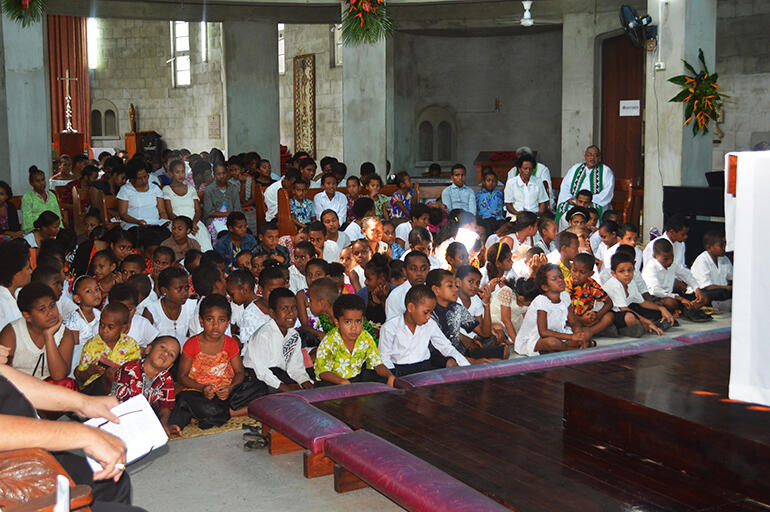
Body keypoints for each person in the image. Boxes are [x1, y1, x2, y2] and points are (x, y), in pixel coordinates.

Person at [0, 363, 146, 511]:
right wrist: (82, 434)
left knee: (113, 482)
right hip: (7, 476)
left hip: (30, 451)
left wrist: (83, 403)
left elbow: (6, 379)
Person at [169, 294, 251, 430]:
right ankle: (231, 412)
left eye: (222, 320)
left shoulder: (230, 343)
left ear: (228, 322)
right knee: (184, 399)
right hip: (199, 391)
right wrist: (202, 388)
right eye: (210, 319)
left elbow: (239, 372)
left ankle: (205, 415)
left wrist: (230, 388)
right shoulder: (192, 344)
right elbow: (182, 376)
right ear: (201, 321)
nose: (215, 325)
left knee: (258, 388)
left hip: (225, 391)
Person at [379, 284, 470, 376]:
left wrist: (466, 367)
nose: (428, 317)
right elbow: (385, 358)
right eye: (426, 312)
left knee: (451, 366)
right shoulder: (389, 328)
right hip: (400, 370)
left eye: (431, 312)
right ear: (411, 307)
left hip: (424, 368)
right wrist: (392, 377)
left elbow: (446, 347)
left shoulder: (430, 324)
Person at [0, 282, 75, 382]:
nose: (50, 313)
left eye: (52, 306)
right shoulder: (11, 333)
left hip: (48, 388)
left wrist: (49, 337)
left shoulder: (65, 334)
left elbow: (59, 376)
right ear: (27, 316)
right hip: (18, 387)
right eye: (42, 309)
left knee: (68, 383)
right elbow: (4, 376)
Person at [314, 294, 395, 386]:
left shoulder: (365, 337)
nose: (354, 328)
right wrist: (342, 381)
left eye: (358, 321)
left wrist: (390, 376)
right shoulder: (329, 341)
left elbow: (377, 364)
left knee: (383, 377)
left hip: (355, 381)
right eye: (348, 322)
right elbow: (323, 372)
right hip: (334, 383)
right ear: (337, 322)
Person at [514, 264, 593, 357]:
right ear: (545, 287)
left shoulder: (565, 296)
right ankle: (572, 349)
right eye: (554, 279)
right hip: (535, 338)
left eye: (561, 277)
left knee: (587, 333)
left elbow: (573, 322)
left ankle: (569, 348)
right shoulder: (541, 301)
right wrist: (572, 337)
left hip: (558, 332)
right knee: (552, 343)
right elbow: (543, 332)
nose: (560, 280)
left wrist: (579, 335)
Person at [243, 287, 312, 392]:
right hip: (258, 378)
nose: (291, 313)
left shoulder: (294, 335)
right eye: (284, 308)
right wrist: (286, 388)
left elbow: (295, 367)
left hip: (279, 375)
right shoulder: (263, 335)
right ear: (272, 313)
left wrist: (306, 382)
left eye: (294, 308)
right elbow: (262, 371)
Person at [111, 336, 180, 436]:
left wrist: (163, 422)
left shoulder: (166, 378)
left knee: (176, 413)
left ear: (170, 366)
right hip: (123, 412)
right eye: (163, 347)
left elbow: (166, 405)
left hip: (147, 412)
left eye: (171, 355)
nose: (165, 354)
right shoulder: (129, 369)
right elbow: (122, 404)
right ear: (148, 349)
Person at [427, 269, 503, 361]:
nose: (455, 289)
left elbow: (485, 333)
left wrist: (486, 304)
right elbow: (439, 351)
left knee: (503, 352)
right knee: (492, 363)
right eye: (450, 286)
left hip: (463, 353)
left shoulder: (456, 308)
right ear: (436, 290)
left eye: (455, 285)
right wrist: (473, 362)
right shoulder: (429, 314)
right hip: (445, 360)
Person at [75, 302, 141, 396]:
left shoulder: (131, 345)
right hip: (95, 391)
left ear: (123, 329)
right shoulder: (91, 345)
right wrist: (91, 371)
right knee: (110, 374)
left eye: (110, 327)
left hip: (122, 389)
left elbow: (135, 374)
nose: (104, 330)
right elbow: (80, 377)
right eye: (101, 325)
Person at [604, 252, 671, 336]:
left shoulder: (630, 282)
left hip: (627, 310)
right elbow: (624, 309)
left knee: (655, 312)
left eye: (630, 270)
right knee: (629, 317)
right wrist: (647, 321)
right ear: (614, 273)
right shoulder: (614, 285)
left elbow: (642, 302)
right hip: (611, 314)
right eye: (622, 271)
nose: (627, 274)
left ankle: (641, 326)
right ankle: (626, 329)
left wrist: (661, 308)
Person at [641, 238, 707, 318]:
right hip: (653, 298)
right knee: (671, 303)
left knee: (704, 297)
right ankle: (678, 311)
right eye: (665, 259)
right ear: (654, 256)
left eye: (672, 257)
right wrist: (680, 299)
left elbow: (686, 274)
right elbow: (656, 291)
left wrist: (697, 289)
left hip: (671, 295)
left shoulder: (673, 263)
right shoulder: (650, 268)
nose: (670, 261)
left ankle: (682, 310)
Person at [556, 145, 615, 226]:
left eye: (595, 155)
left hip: (594, 202)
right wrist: (570, 199)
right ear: (585, 156)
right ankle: (566, 235)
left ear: (599, 157)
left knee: (595, 209)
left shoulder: (606, 171)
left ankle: (591, 236)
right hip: (575, 201)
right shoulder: (575, 168)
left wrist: (586, 201)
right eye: (589, 155)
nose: (592, 158)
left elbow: (607, 192)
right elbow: (565, 187)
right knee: (563, 207)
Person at [163, 159, 212, 251]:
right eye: (177, 172)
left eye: (182, 172)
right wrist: (185, 226)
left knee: (204, 244)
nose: (181, 175)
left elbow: (198, 210)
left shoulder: (191, 189)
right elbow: (170, 213)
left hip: (194, 223)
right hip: (177, 225)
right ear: (171, 173)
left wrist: (193, 223)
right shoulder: (167, 190)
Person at [116, 160, 169, 245]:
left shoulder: (155, 188)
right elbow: (123, 214)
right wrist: (138, 222)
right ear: (132, 179)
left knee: (165, 234)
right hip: (134, 225)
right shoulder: (125, 190)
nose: (144, 181)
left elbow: (162, 211)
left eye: (145, 176)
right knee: (142, 236)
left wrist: (164, 221)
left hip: (154, 224)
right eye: (140, 178)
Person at [566, 253, 616, 337]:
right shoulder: (565, 285)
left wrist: (597, 316)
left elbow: (609, 303)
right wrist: (581, 319)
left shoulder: (592, 285)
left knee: (609, 316)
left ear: (591, 274)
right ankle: (590, 332)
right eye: (574, 270)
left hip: (588, 320)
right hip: (570, 320)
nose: (577, 275)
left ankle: (588, 332)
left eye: (582, 272)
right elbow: (561, 311)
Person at [143, 267, 197, 345]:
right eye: (179, 289)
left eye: (186, 288)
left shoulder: (192, 307)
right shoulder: (151, 311)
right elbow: (146, 342)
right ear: (164, 290)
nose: (185, 293)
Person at [226, 270, 271, 345]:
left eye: (232, 294)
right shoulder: (262, 300)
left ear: (244, 290)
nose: (230, 298)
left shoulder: (249, 313)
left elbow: (247, 343)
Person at [107, 284, 159, 348]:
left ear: (136, 307)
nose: (126, 314)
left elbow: (154, 343)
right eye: (120, 310)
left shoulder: (142, 324)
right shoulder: (104, 325)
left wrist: (145, 351)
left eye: (130, 309)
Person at [690, 230, 732, 307]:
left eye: (725, 244)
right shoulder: (702, 260)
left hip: (721, 293)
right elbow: (707, 286)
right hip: (703, 292)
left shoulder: (725, 259)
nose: (725, 248)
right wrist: (728, 288)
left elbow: (732, 277)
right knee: (721, 292)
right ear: (709, 247)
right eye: (721, 245)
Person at [64, 276, 103, 359]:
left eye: (97, 289)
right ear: (77, 298)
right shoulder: (74, 321)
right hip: (80, 357)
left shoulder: (99, 315)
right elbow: (74, 349)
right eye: (89, 291)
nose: (96, 293)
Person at [385, 250, 430, 321]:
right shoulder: (396, 297)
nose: (419, 273)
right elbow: (392, 327)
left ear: (429, 269)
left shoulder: (433, 291)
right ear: (404, 271)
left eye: (424, 269)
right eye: (413, 269)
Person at [203, 162, 241, 241]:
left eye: (224, 173)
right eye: (218, 174)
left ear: (227, 173)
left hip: (232, 218)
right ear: (214, 175)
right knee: (224, 235)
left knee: (244, 232)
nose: (222, 176)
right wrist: (228, 214)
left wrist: (231, 216)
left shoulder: (233, 188)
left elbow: (237, 209)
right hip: (214, 220)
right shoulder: (209, 190)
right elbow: (209, 212)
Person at [0, 241, 32, 330]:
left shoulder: (20, 292)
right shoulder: (1, 304)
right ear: (16, 273)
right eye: (28, 268)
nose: (30, 272)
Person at [22, 166, 63, 234]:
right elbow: (27, 222)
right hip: (36, 231)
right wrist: (43, 230)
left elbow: (58, 216)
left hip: (54, 230)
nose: (41, 183)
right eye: (38, 181)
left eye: (43, 180)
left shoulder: (52, 195)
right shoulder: (28, 197)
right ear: (31, 183)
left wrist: (60, 230)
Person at [476, 168, 505, 235]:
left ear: (496, 183)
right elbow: (477, 208)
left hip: (498, 219)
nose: (491, 183)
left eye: (493, 181)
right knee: (489, 224)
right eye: (488, 180)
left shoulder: (499, 193)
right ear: (483, 182)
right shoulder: (479, 194)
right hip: (485, 218)